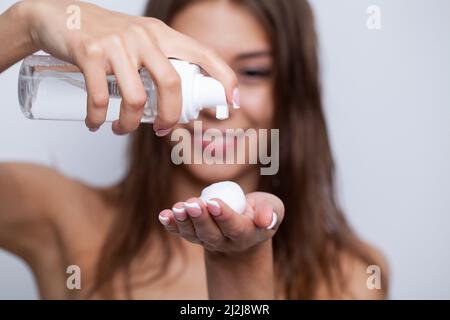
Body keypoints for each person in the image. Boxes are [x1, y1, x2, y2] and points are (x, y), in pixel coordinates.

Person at [0, 0, 388, 299]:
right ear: (143, 73)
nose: (213, 105)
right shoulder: (56, 213)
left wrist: (240, 265)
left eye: (252, 72)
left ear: (291, 90)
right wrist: (25, 22)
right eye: (187, 68)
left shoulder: (350, 275)